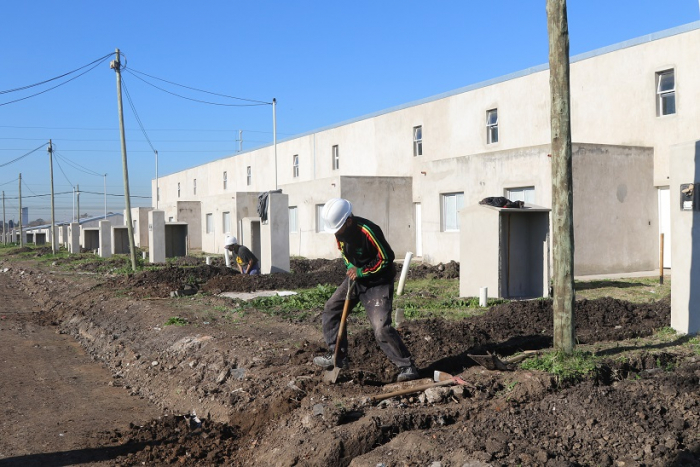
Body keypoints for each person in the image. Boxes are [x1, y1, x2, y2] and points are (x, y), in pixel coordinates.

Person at [313, 198, 419, 382]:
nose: (336, 233)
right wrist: (352, 268)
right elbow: (345, 255)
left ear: (349, 221)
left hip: (378, 281)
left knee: (380, 327)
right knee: (331, 309)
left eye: (338, 229)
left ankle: (407, 366)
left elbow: (387, 258)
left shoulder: (368, 230)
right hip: (356, 278)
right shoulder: (339, 232)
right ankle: (338, 356)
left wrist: (362, 271)